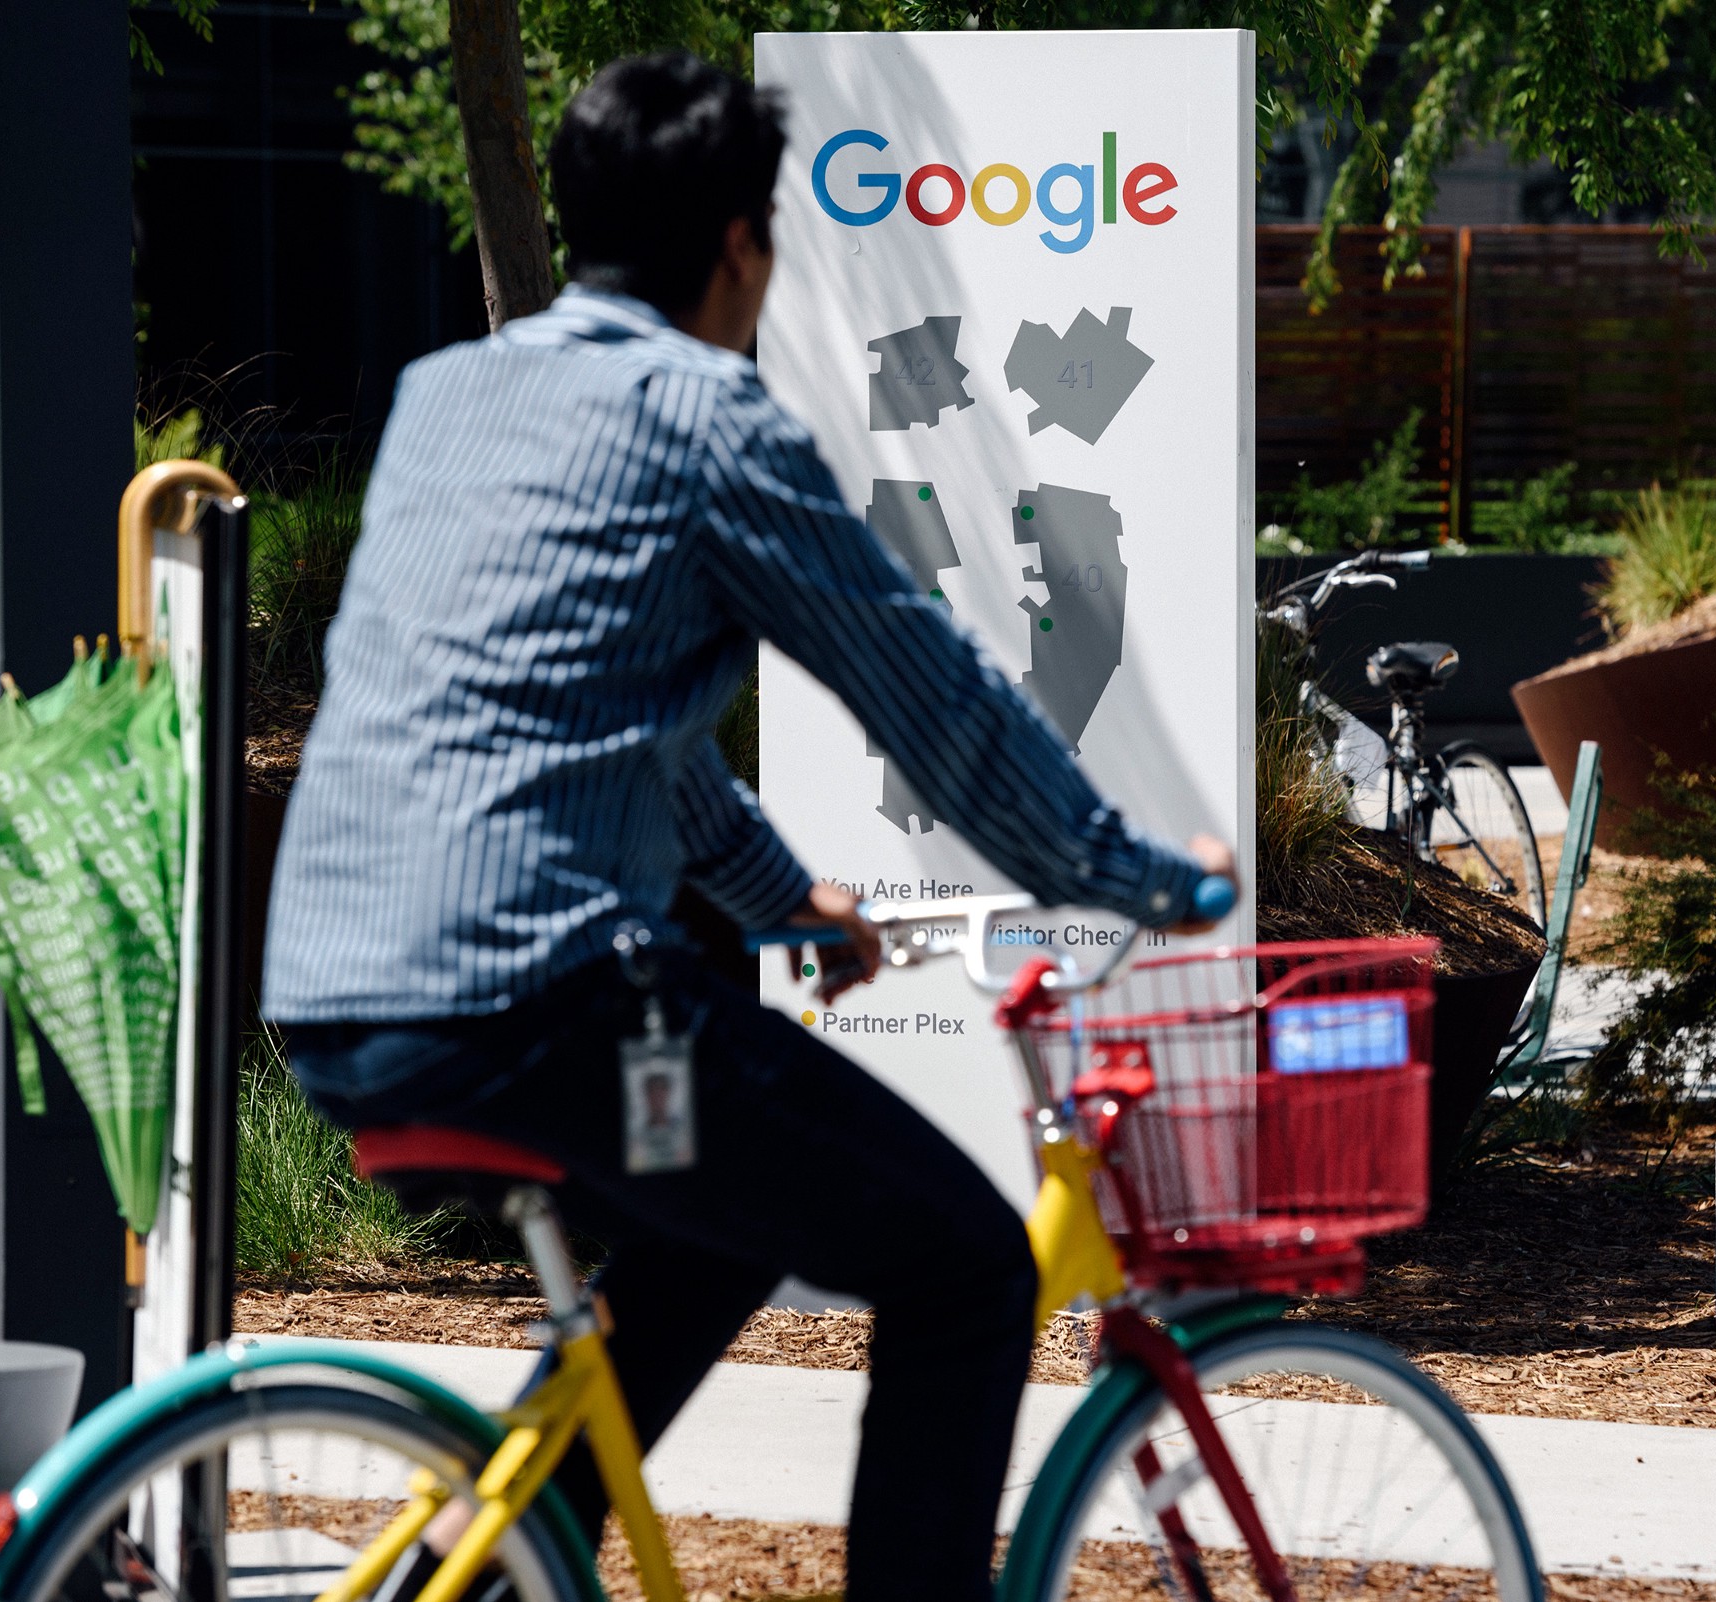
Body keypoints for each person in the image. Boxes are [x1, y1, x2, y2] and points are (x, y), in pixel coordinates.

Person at [261, 49, 1234, 1602]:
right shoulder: (715, 423)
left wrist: (788, 900)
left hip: (333, 987)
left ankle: (506, 1571)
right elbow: (935, 699)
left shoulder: (448, 394)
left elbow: (615, 737)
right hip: (540, 992)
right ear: (739, 244)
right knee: (970, 1265)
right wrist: (1139, 877)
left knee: (708, 1230)